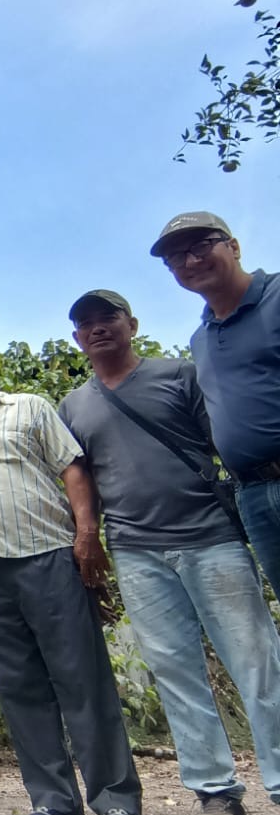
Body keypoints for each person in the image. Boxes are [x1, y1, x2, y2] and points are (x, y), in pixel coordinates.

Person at [60, 288, 280, 815]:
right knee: (176, 672)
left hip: (212, 537)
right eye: (86, 323)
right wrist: (88, 536)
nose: (97, 328)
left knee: (257, 662)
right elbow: (81, 477)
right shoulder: (74, 406)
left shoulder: (179, 375)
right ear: (77, 339)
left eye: (108, 317)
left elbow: (224, 441)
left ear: (132, 324)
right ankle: (216, 794)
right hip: (136, 550)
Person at [0, 337, 143, 815]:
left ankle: (116, 802)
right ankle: (54, 800)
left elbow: (72, 469)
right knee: (18, 687)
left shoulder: (29, 408)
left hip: (48, 557)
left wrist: (87, 533)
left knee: (82, 679)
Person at [154, 211, 280, 590]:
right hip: (252, 493)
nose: (191, 261)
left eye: (202, 246)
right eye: (177, 257)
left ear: (234, 247)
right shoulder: (201, 338)